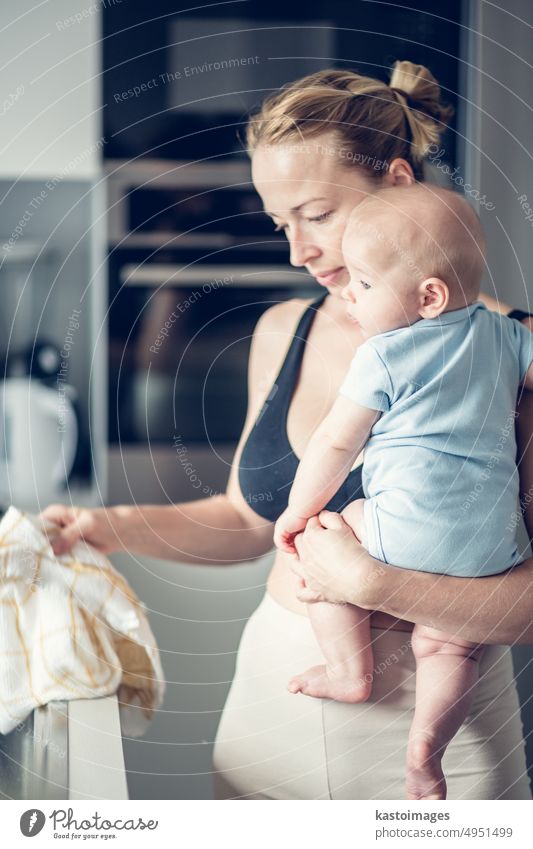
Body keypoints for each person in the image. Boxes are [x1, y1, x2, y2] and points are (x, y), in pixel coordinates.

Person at [40, 60, 533, 800]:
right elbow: (248, 516)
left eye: (317, 214)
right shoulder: (284, 330)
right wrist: (108, 525)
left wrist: (373, 582)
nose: (296, 250)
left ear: (398, 183)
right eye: (281, 222)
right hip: (275, 707)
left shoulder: (508, 358)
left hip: (441, 739)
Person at [273, 183, 533, 799]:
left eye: (363, 284)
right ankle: (426, 747)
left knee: (328, 537)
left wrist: (298, 513)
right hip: (492, 546)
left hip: (401, 535)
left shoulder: (383, 354)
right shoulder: (506, 335)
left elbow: (336, 445)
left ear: (428, 297)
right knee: (449, 646)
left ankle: (348, 670)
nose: (351, 297)